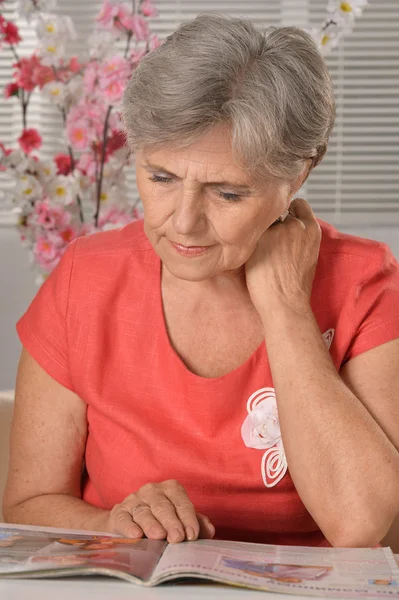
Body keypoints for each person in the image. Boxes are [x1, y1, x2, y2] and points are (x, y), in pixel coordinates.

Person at [3, 14, 399, 549]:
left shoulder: (363, 286)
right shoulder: (85, 281)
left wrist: (285, 307)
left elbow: (362, 524)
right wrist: (112, 525)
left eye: (228, 193)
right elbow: (26, 508)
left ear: (298, 174)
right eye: (161, 178)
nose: (182, 222)